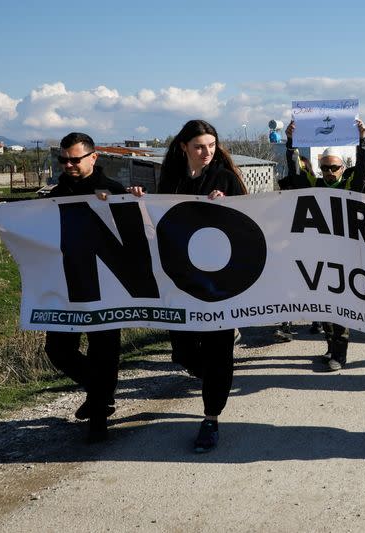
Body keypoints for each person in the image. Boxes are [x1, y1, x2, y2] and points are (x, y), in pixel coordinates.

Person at [9, 132, 126, 443]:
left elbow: (137, 233)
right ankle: (101, 394)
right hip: (66, 287)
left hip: (107, 287)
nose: (69, 165)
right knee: (58, 350)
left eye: (75, 159)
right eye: (64, 159)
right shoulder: (54, 194)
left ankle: (99, 415)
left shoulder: (114, 192)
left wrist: (123, 204)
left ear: (93, 157)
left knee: (104, 351)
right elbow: (30, 226)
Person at [150, 119, 248, 453]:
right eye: (198, 147)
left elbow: (248, 222)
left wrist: (227, 206)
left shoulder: (225, 178)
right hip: (182, 282)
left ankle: (211, 418)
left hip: (219, 283)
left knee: (218, 352)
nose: (206, 152)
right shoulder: (171, 180)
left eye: (211, 145)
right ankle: (218, 381)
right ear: (183, 148)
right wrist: (136, 200)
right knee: (183, 351)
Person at [284, 118, 365, 370]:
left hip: (344, 256)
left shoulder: (350, 186)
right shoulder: (315, 184)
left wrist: (362, 141)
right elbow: (296, 174)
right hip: (318, 255)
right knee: (323, 306)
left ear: (342, 168)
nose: (329, 172)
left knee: (340, 307)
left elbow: (364, 172)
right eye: (325, 168)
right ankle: (331, 347)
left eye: (334, 168)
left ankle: (339, 354)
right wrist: (291, 143)